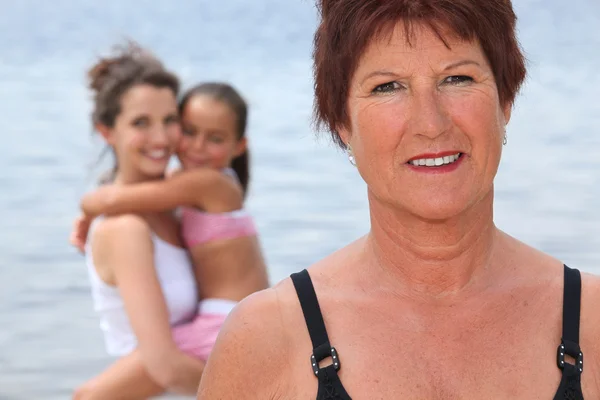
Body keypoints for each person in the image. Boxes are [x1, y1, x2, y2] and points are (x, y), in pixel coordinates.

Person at [196, 1, 600, 399]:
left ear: (505, 100)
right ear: (341, 123)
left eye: (457, 79)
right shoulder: (269, 337)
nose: (431, 123)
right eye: (387, 87)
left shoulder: (592, 321)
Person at [73, 82, 269, 398]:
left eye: (215, 139)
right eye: (189, 131)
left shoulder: (207, 183)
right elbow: (138, 199)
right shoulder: (202, 185)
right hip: (236, 320)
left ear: (239, 145)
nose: (197, 147)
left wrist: (86, 212)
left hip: (222, 323)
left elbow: (108, 201)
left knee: (94, 393)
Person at [72, 43, 210, 399]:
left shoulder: (178, 209)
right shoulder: (124, 230)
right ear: (106, 131)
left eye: (170, 120)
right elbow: (163, 365)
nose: (161, 138)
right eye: (141, 123)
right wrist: (263, 386)